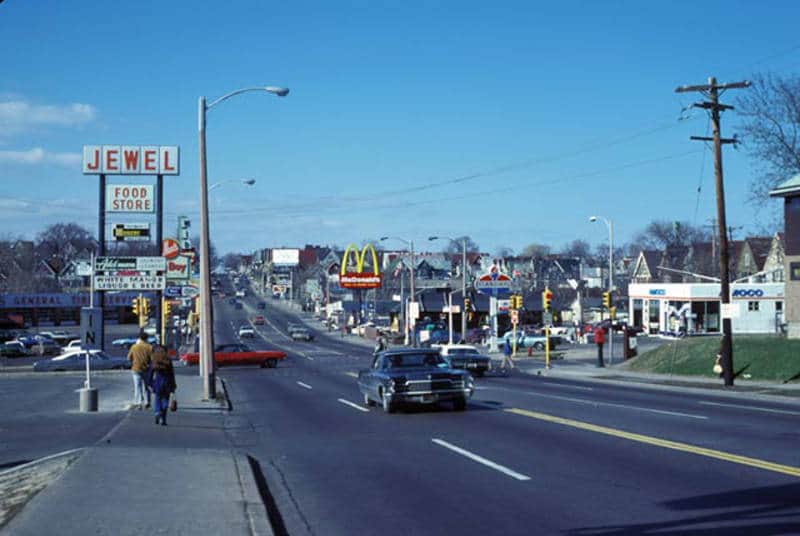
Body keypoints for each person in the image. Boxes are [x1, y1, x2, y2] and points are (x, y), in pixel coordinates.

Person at [147, 344, 177, 425]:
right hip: (167, 382)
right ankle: (163, 419)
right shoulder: (168, 360)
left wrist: (149, 383)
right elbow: (172, 373)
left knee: (157, 398)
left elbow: (150, 373)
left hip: (157, 382)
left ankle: (157, 412)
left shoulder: (154, 360)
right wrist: (173, 385)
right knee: (165, 400)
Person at [127, 330, 153, 409]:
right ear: (146, 338)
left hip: (136, 368)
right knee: (147, 386)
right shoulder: (149, 347)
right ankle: (147, 401)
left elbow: (129, 358)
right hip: (146, 369)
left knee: (137, 386)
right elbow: (152, 359)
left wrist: (134, 361)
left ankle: (138, 402)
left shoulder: (134, 347)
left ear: (139, 338)